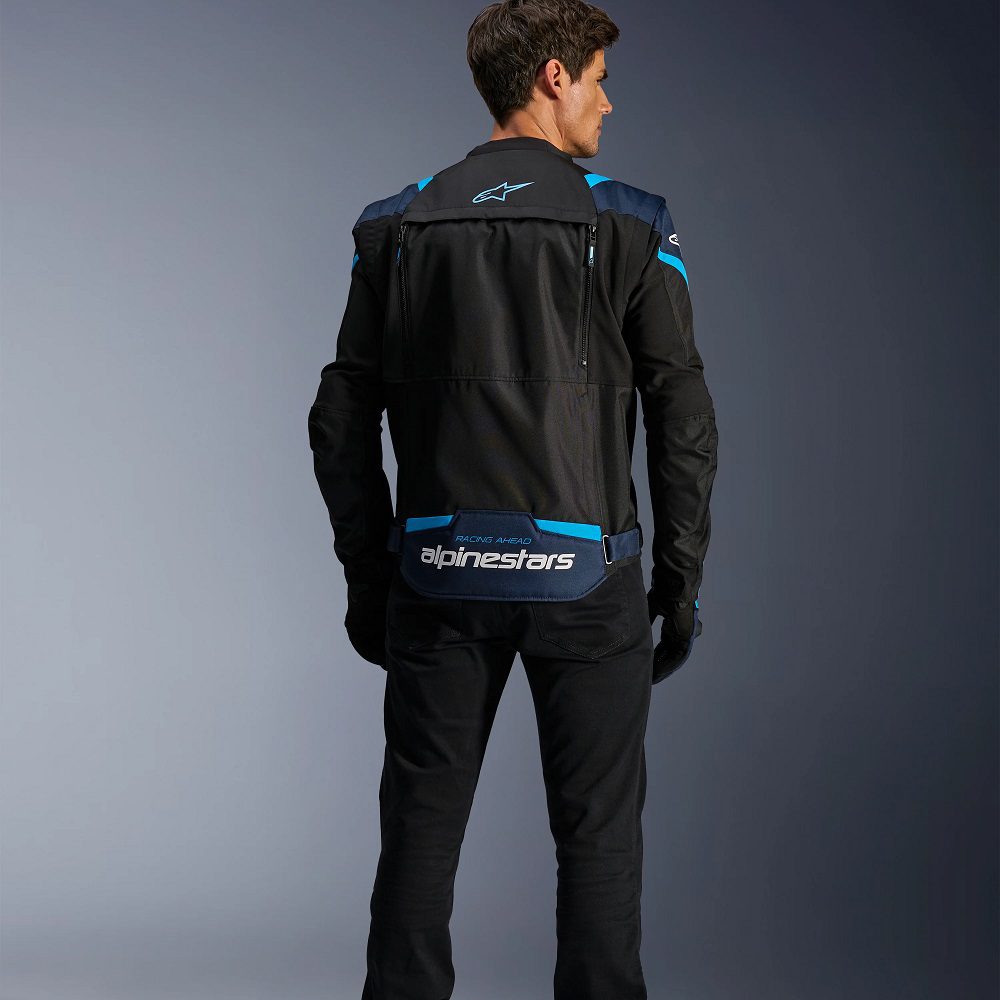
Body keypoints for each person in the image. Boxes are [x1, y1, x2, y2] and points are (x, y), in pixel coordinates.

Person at [307, 1, 719, 996]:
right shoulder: (633, 221)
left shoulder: (394, 225)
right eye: (599, 80)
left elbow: (338, 418)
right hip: (589, 582)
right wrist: (678, 587)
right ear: (551, 76)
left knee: (419, 832)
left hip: (437, 576)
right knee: (598, 840)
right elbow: (683, 418)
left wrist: (372, 578)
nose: (608, 103)